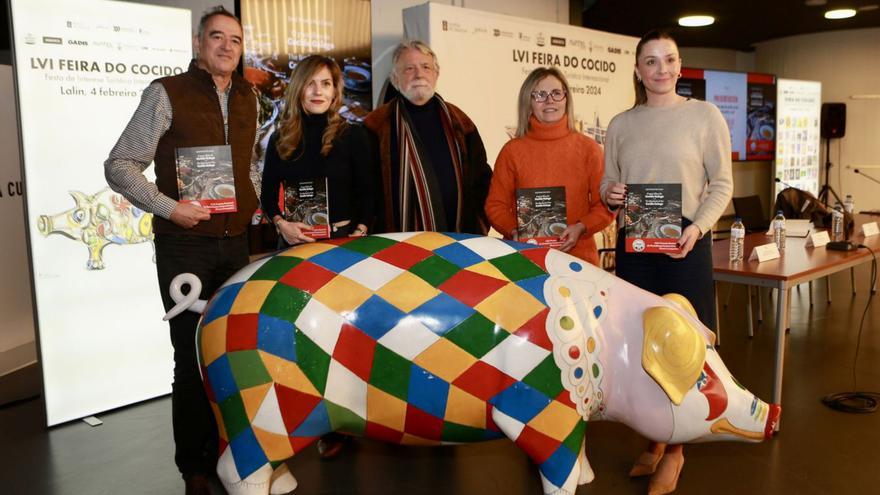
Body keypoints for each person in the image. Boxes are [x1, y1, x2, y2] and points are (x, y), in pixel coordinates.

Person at [104, 7, 259, 495]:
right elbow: (120, 165)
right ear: (198, 44)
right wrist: (170, 207)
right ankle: (194, 469)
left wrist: (254, 207)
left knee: (231, 356)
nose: (227, 46)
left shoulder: (250, 97)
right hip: (185, 246)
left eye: (235, 39)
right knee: (192, 358)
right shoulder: (165, 93)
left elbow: (249, 164)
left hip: (237, 247)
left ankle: (230, 454)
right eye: (217, 37)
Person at [600, 29, 733, 495]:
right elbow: (609, 184)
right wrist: (610, 195)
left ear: (680, 66)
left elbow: (721, 184)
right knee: (640, 343)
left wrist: (697, 228)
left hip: (684, 245)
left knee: (685, 348)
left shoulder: (704, 116)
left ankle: (676, 452)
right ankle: (655, 438)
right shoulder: (620, 124)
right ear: (637, 70)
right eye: (650, 62)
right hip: (636, 246)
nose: (660, 69)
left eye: (668, 60)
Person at [485, 67, 613, 265]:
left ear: (566, 98)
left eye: (556, 93)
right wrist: (514, 231)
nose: (549, 100)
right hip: (525, 261)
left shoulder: (589, 149)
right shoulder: (512, 151)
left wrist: (581, 227)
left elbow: (605, 206)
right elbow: (495, 205)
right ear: (529, 101)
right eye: (540, 95)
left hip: (579, 263)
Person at [363, 40, 492, 234]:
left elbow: (482, 178)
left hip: (458, 241)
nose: (419, 74)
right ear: (395, 78)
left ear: (436, 74)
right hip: (394, 246)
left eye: (426, 67)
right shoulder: (376, 125)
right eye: (409, 69)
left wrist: (477, 225)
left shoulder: (460, 121)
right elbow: (365, 186)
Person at [261, 55, 374, 246]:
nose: (318, 91)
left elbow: (369, 192)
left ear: (334, 91)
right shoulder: (279, 139)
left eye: (326, 84)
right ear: (298, 89)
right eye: (310, 83)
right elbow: (267, 196)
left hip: (343, 241)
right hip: (294, 241)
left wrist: (360, 231)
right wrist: (281, 224)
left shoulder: (354, 135)